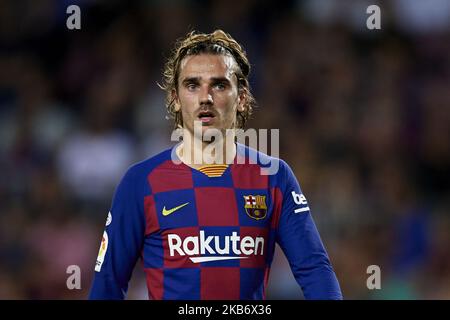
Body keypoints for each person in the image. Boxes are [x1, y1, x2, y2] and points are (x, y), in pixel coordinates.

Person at [89, 30, 343, 300]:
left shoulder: (273, 176)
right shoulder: (140, 182)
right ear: (175, 98)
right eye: (192, 85)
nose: (205, 97)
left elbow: (315, 270)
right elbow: (108, 283)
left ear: (241, 97)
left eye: (219, 85)